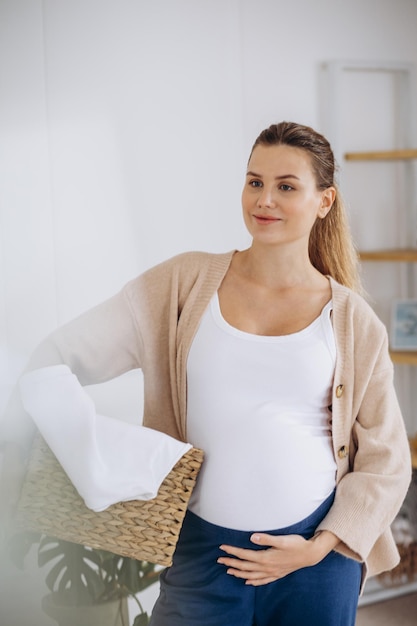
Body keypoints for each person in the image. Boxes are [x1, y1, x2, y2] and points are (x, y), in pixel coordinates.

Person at [0, 121, 412, 625]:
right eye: (254, 181)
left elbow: (387, 460)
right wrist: (95, 457)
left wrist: (317, 547)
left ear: (324, 202)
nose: (264, 199)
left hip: (315, 562)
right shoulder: (182, 283)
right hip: (202, 552)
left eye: (286, 186)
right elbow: (57, 356)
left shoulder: (352, 320)